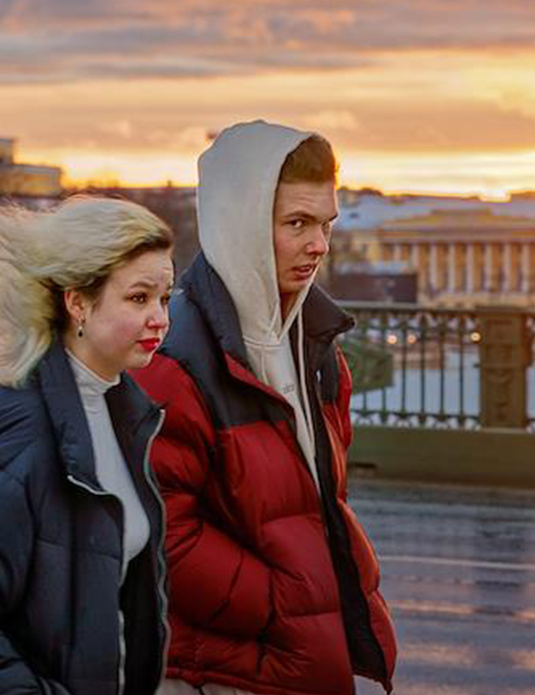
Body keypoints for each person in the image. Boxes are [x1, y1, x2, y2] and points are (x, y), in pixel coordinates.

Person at [133, 121, 397, 695]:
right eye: (296, 223)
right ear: (240, 225)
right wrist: (291, 600)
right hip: (215, 673)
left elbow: (318, 506)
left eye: (326, 224)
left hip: (294, 662)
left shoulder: (320, 352)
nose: (319, 245)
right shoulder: (173, 362)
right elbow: (164, 538)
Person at [0, 197, 177, 695]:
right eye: (138, 298)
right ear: (78, 303)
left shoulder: (119, 412)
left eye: (165, 298)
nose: (160, 319)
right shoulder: (26, 431)